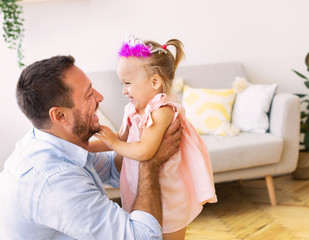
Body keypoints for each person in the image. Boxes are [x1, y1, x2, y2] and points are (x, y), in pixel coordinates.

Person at [0, 55, 183, 240]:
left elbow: (113, 169)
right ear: (60, 115)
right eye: (89, 95)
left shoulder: (47, 142)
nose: (100, 97)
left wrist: (135, 138)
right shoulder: (56, 182)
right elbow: (143, 237)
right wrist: (149, 162)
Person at [88, 35, 217, 240]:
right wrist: (87, 147)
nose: (123, 90)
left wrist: (114, 141)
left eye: (127, 83)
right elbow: (121, 141)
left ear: (155, 82)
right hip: (138, 189)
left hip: (166, 195)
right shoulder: (132, 109)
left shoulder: (162, 111)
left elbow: (143, 150)